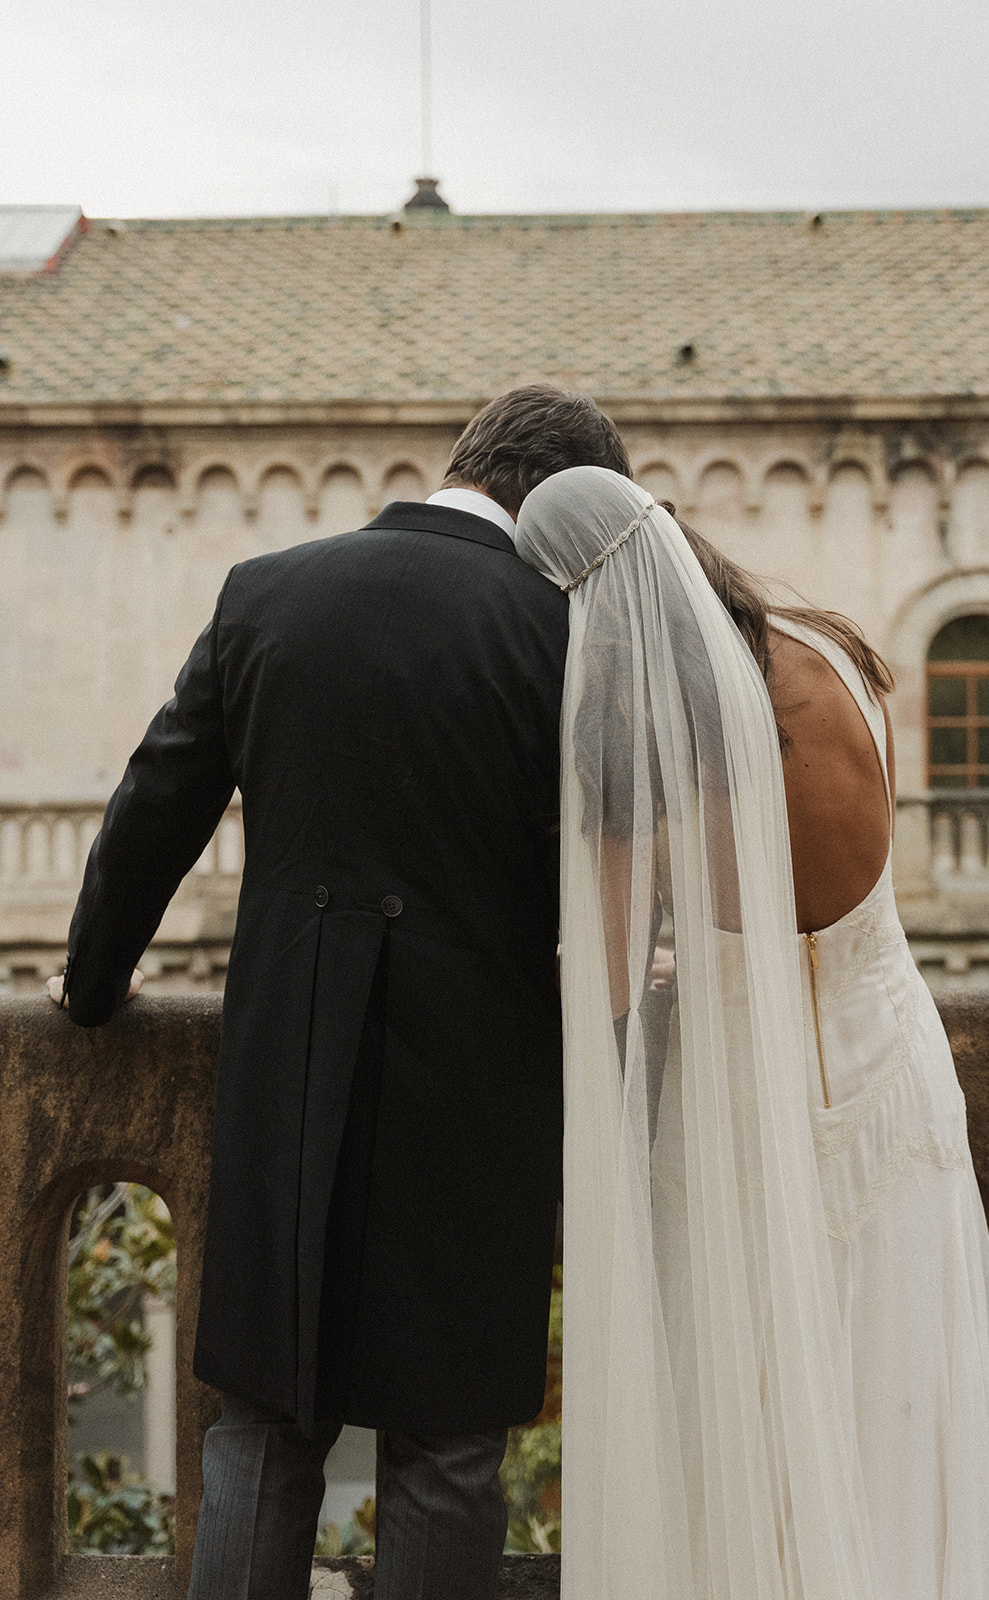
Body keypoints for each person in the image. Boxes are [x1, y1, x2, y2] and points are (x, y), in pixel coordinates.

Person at [48, 388, 631, 1600]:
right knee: (448, 1445)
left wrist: (94, 986)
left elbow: (153, 810)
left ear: (462, 464)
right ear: (556, 507)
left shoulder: (266, 590)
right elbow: (603, 869)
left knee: (262, 1425)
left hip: (285, 1071)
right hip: (478, 1093)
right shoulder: (562, 632)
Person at [514, 465, 989, 1600]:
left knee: (758, 1417)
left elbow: (605, 977)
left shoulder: (640, 739)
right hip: (889, 1068)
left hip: (744, 1116)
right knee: (906, 1398)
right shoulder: (834, 654)